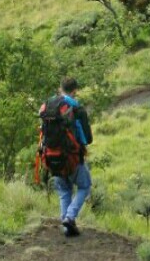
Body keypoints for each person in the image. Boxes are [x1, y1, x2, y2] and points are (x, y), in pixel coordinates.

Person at [49, 78, 93, 237]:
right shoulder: (77, 109)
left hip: (53, 157)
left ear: (60, 88)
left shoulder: (51, 106)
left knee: (64, 190)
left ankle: (67, 226)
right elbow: (87, 138)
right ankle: (70, 217)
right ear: (75, 91)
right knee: (84, 186)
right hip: (73, 157)